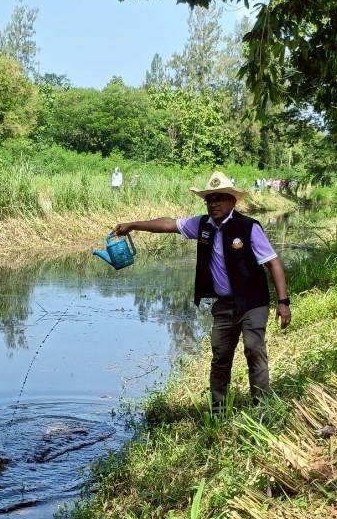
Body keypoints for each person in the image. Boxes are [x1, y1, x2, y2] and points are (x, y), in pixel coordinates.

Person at [114, 170, 291, 412]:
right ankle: (218, 409)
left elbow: (273, 263)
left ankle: (262, 406)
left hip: (253, 302)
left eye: (220, 198)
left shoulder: (248, 227)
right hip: (224, 304)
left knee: (254, 350)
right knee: (220, 357)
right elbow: (168, 224)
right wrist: (133, 225)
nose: (214, 203)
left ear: (232, 201)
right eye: (210, 199)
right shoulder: (201, 226)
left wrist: (284, 301)